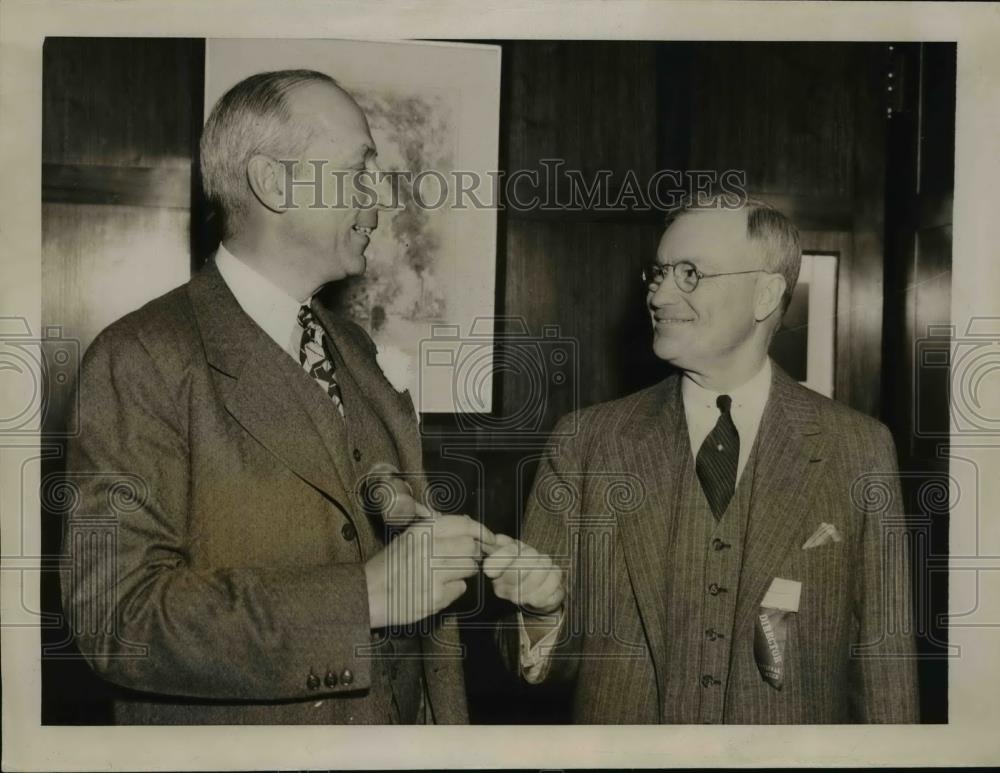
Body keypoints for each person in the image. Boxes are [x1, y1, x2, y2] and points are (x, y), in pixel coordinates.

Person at [61, 69, 488, 724]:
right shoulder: (140, 357)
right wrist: (363, 598)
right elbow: (119, 620)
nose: (380, 197)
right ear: (274, 182)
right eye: (359, 170)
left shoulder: (354, 350)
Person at [486, 198, 920, 723]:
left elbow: (886, 674)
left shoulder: (859, 448)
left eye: (690, 273)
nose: (659, 293)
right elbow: (535, 667)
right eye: (660, 272)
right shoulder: (586, 443)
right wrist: (543, 613)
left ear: (765, 294)